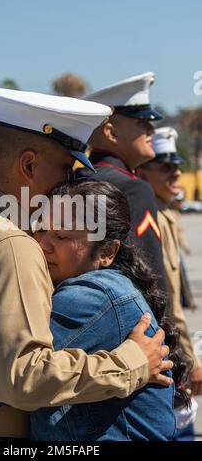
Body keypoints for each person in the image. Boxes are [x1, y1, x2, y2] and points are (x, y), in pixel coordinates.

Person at [0, 86, 172, 441]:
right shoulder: (13, 244)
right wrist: (131, 363)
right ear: (29, 165)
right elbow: (23, 380)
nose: (69, 183)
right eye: (66, 169)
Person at [137, 127, 202, 439]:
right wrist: (188, 362)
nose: (176, 173)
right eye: (165, 167)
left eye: (177, 165)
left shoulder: (167, 214)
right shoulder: (156, 218)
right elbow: (168, 300)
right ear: (143, 174)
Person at [76, 72, 166, 291]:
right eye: (142, 123)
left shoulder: (73, 179)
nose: (152, 131)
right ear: (111, 133)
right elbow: (148, 276)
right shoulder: (133, 188)